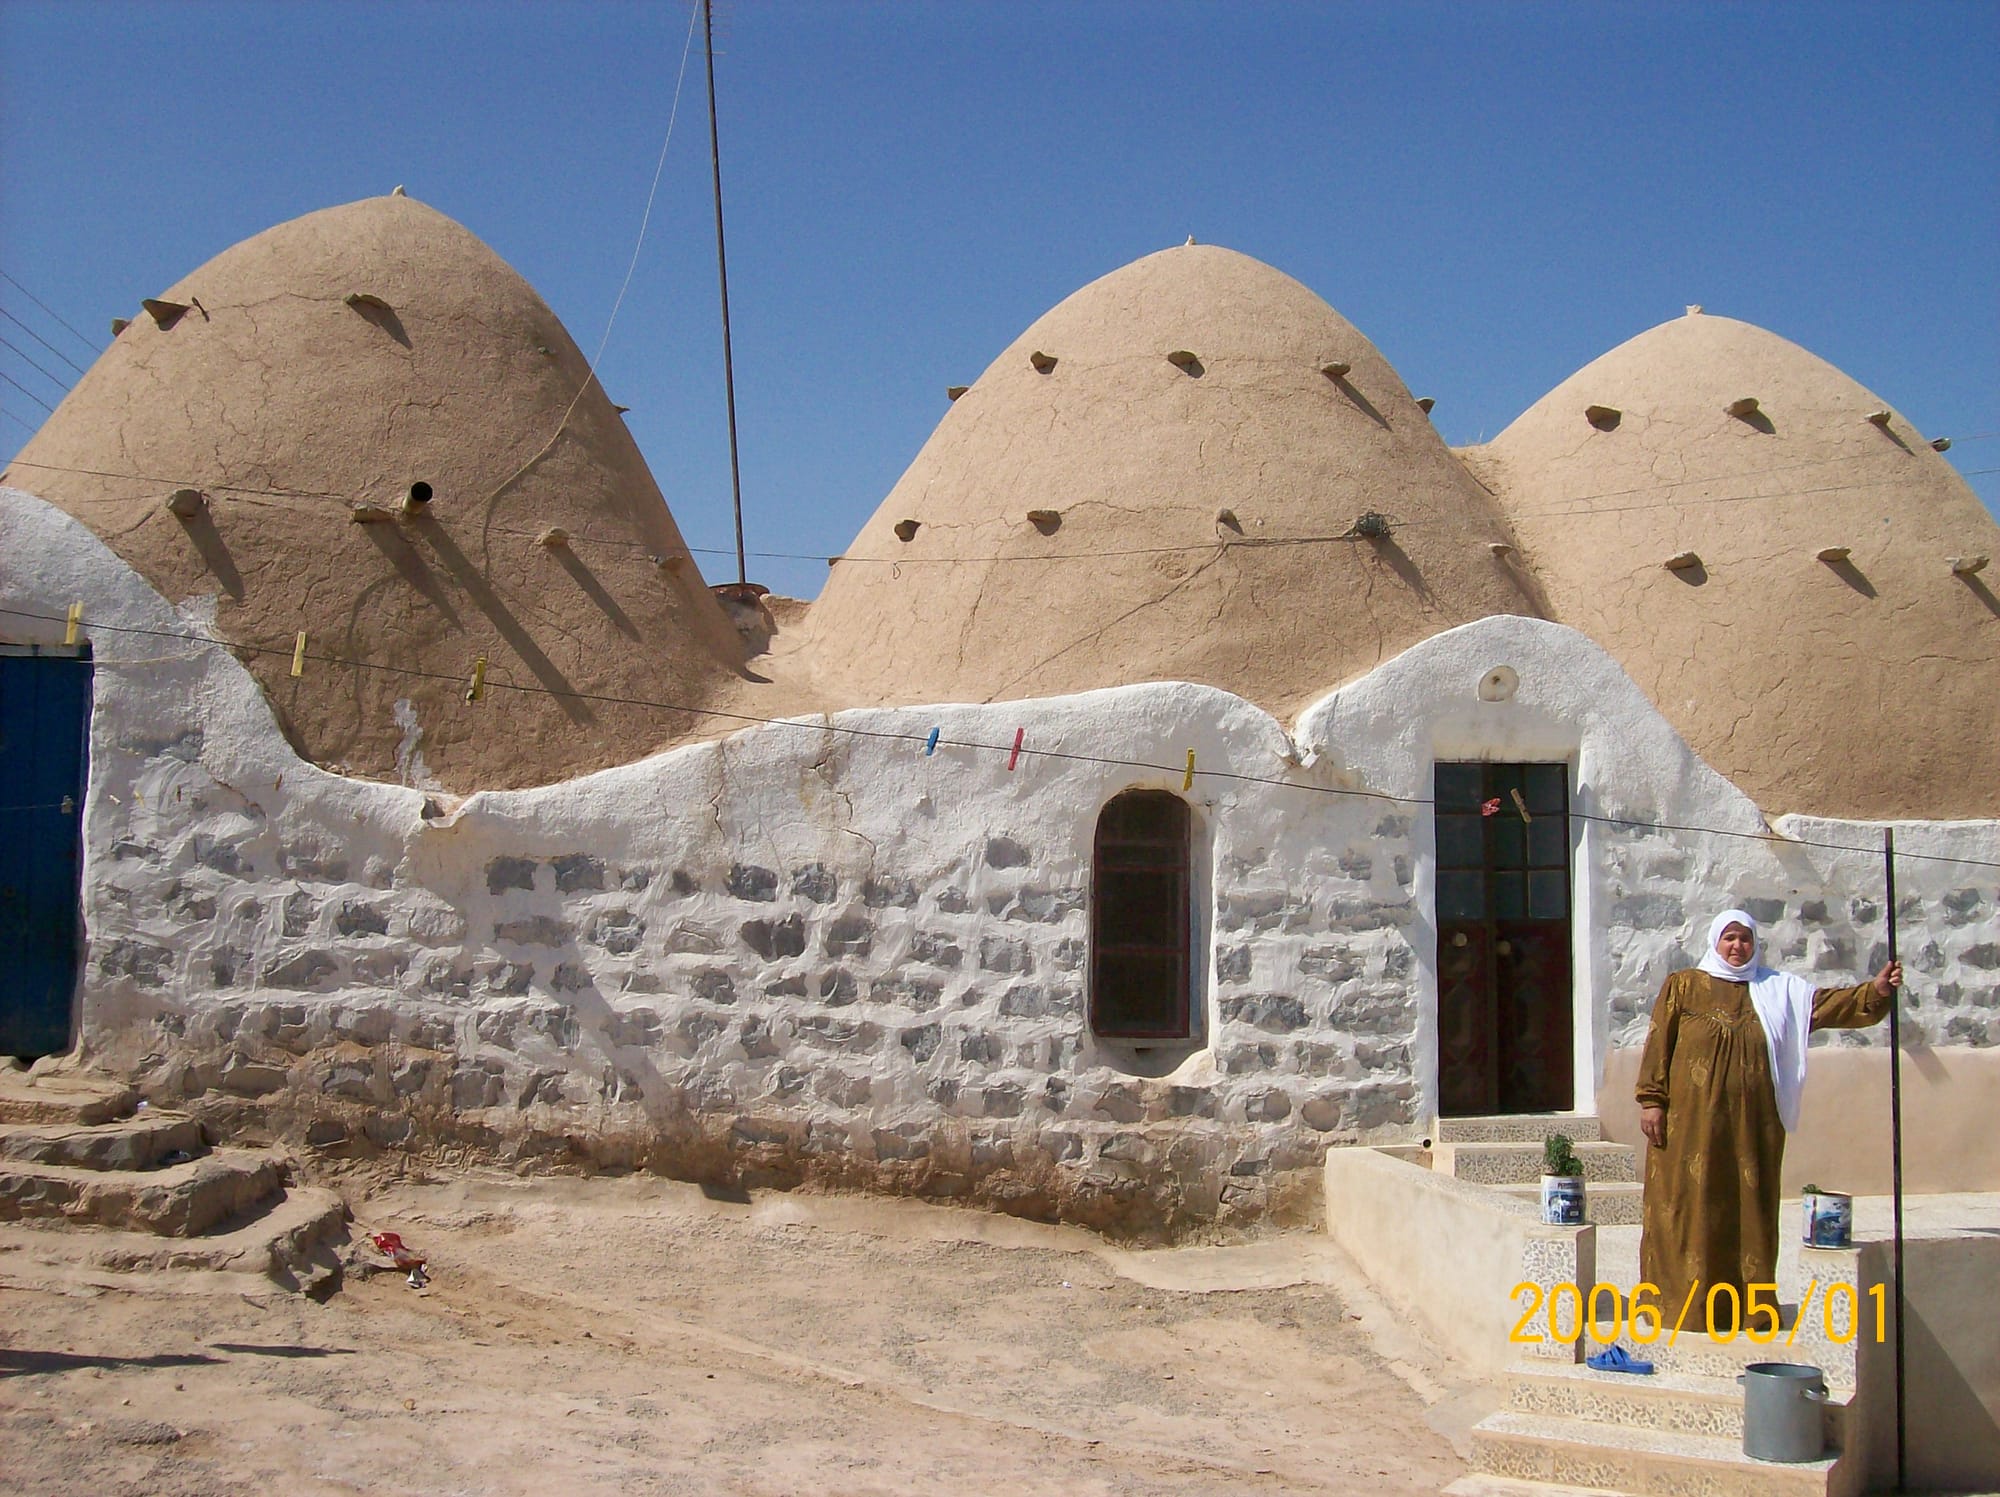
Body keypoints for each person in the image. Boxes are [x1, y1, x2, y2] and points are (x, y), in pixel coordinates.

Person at [1635, 908, 1900, 1328]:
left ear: (1755, 944)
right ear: (1715, 942)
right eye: (1730, 938)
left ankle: (1747, 1310)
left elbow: (1833, 1006)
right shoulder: (1683, 986)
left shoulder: (1779, 991)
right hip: (1688, 1130)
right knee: (1685, 1208)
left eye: (1745, 939)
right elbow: (1658, 1043)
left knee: (1748, 1209)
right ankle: (1678, 1307)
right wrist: (1652, 1100)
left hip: (1752, 1129)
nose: (1737, 946)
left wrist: (1877, 990)